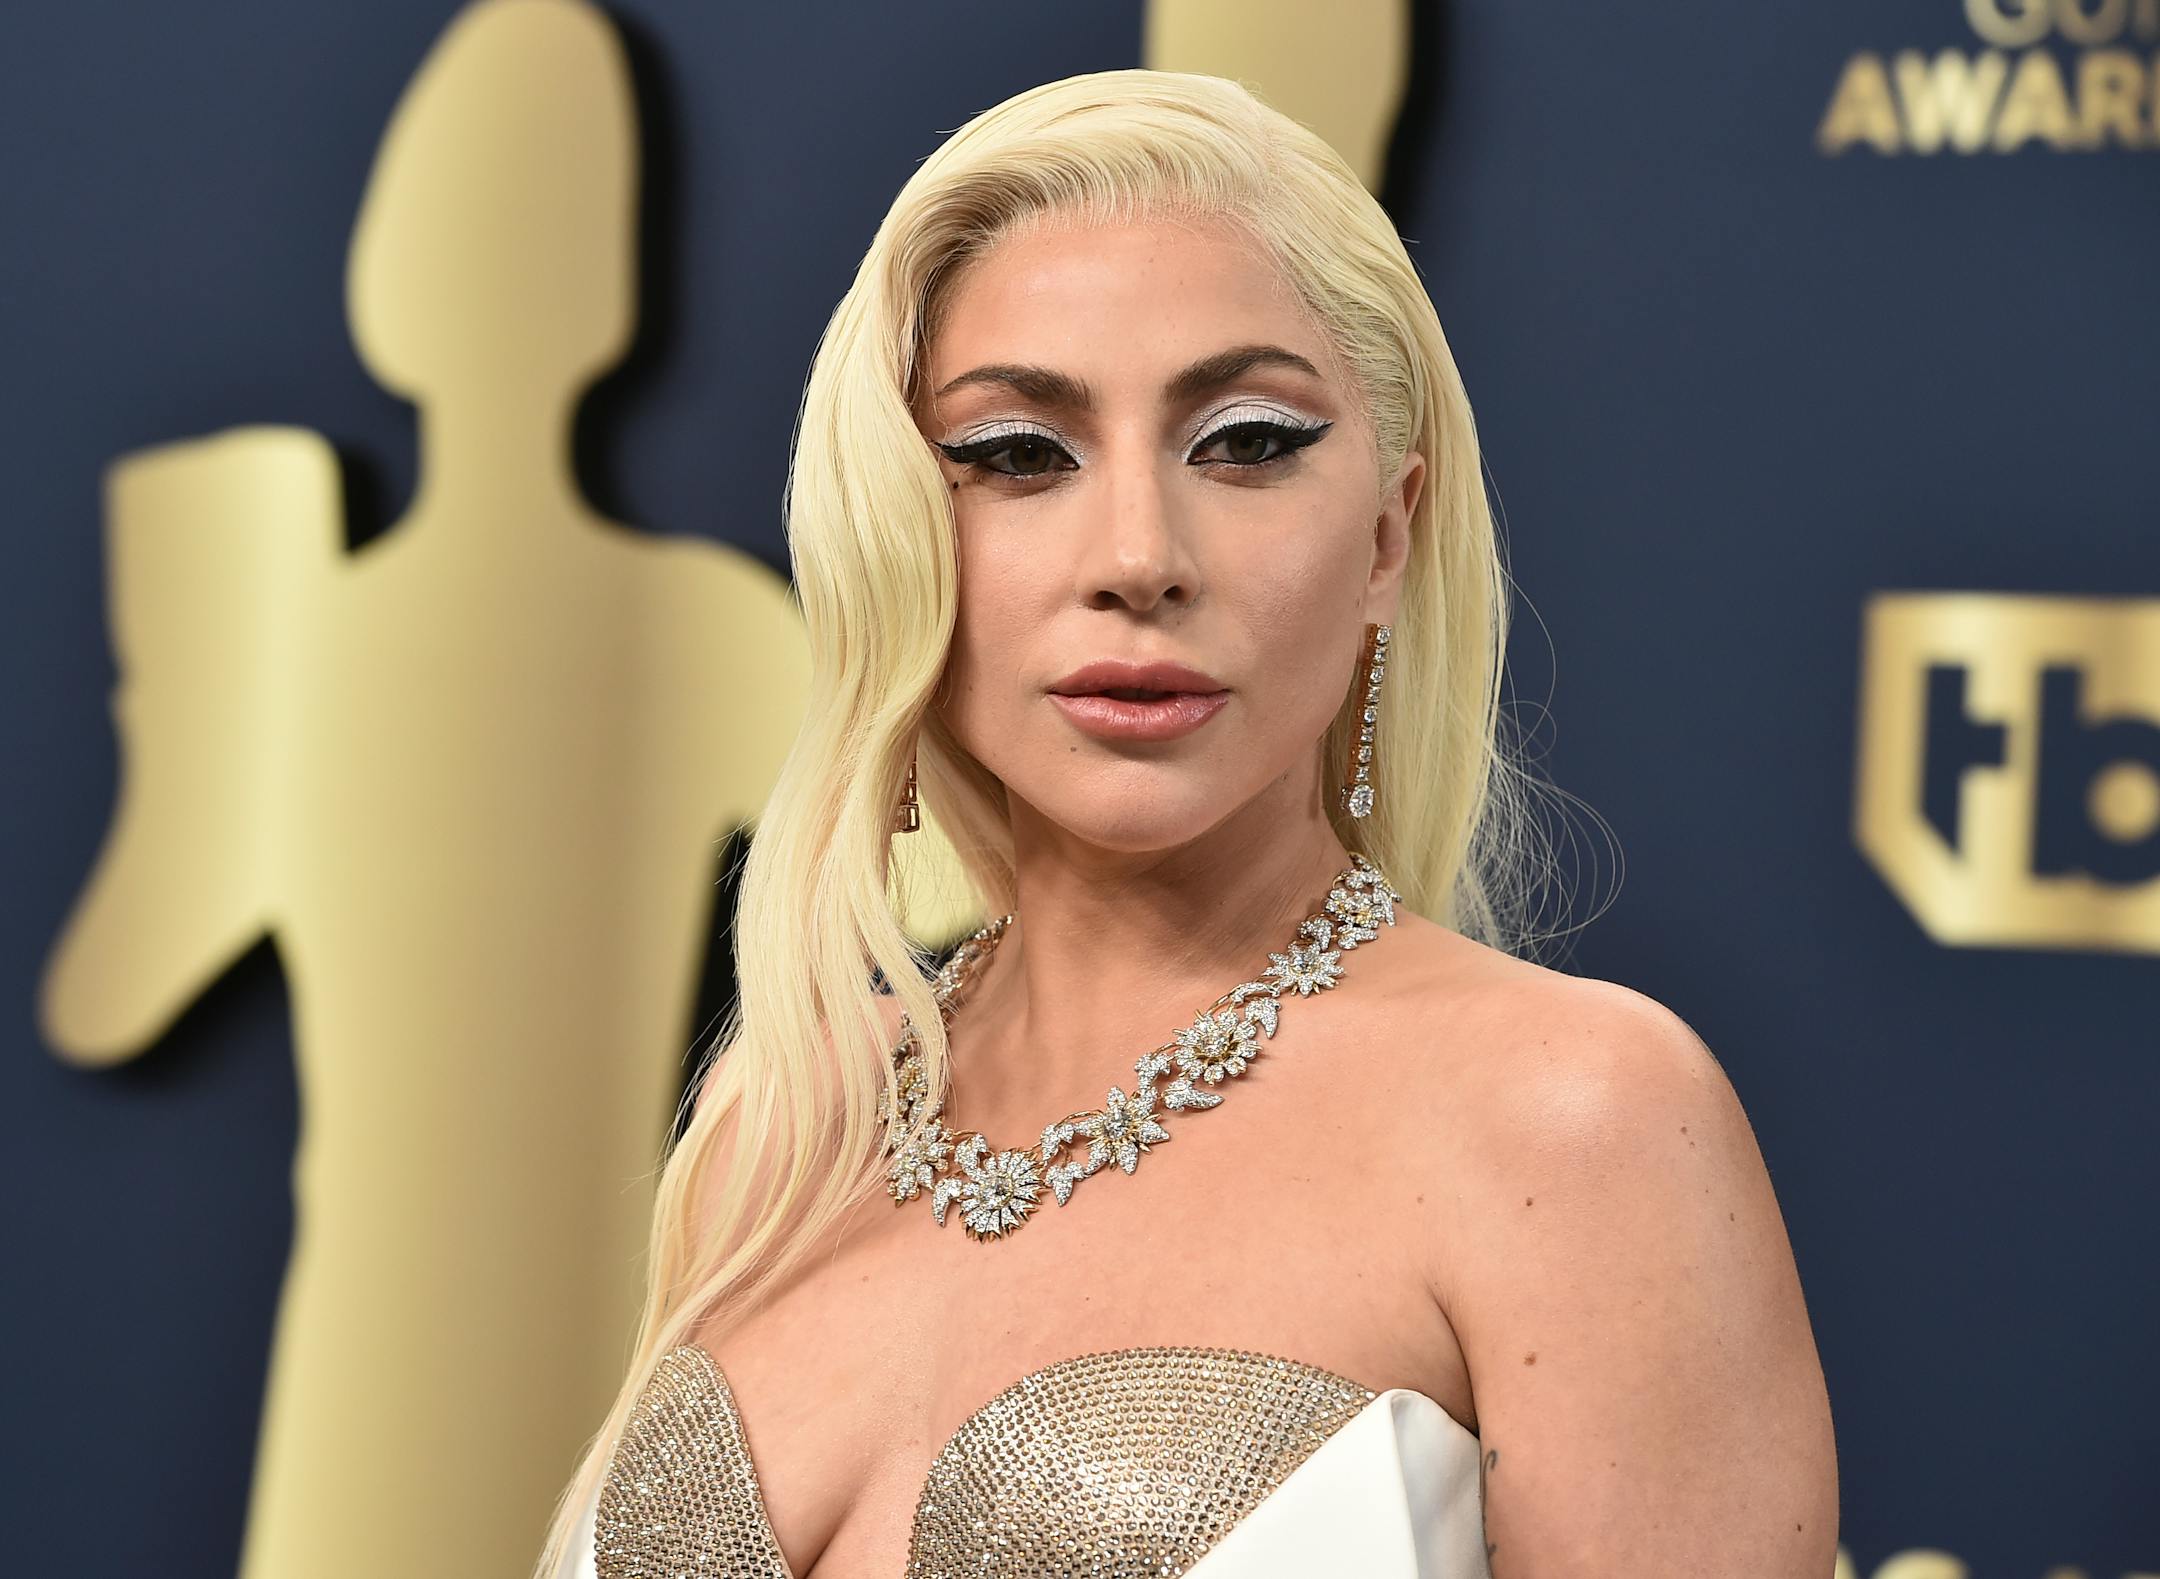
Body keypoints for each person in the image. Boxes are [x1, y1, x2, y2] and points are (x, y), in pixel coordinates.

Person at [536, 67, 1837, 1579]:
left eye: (1247, 441)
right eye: (1017, 454)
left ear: (1388, 536)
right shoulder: (779, 1132)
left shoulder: (1574, 1122)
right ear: (896, 531)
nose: (1139, 557)